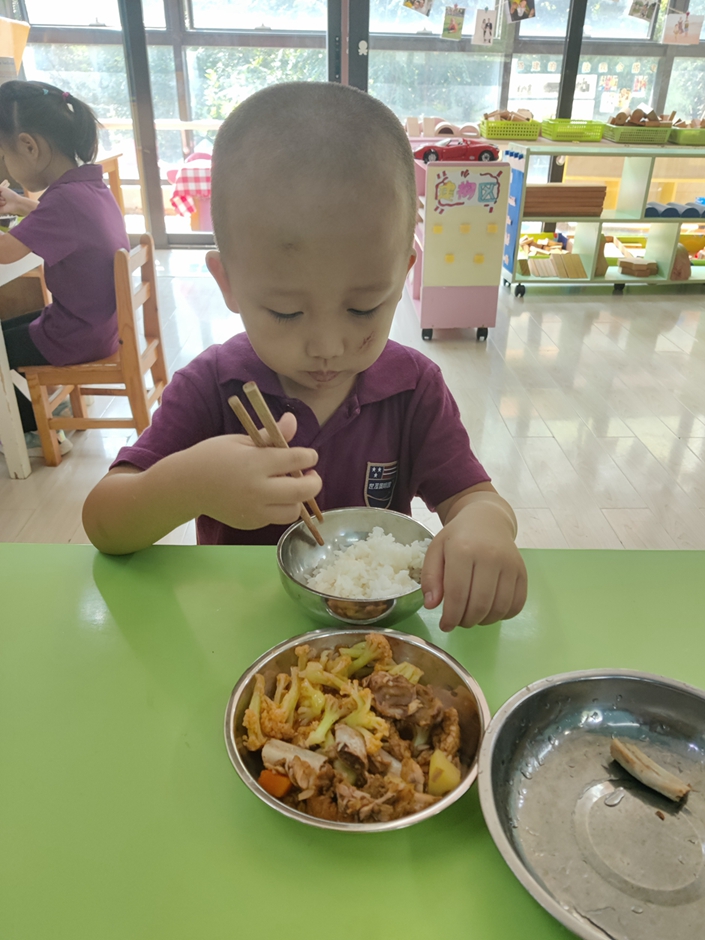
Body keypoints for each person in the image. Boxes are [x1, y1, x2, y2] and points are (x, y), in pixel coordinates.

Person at [83, 82, 527, 632]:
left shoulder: (413, 387)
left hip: (377, 642)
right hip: (238, 639)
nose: (327, 346)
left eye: (363, 308)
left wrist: (485, 525)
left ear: (402, 276)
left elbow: (475, 498)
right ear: (228, 283)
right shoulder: (212, 386)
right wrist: (190, 484)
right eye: (287, 313)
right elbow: (104, 521)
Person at [0, 80, 129, 457]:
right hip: (96, 327)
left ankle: (34, 428)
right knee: (6, 333)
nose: (6, 167)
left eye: (4, 156)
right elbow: (59, 220)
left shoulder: (63, 201)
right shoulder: (88, 187)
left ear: (29, 146)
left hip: (74, 335)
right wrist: (19, 204)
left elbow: (6, 252)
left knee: (3, 346)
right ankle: (40, 416)